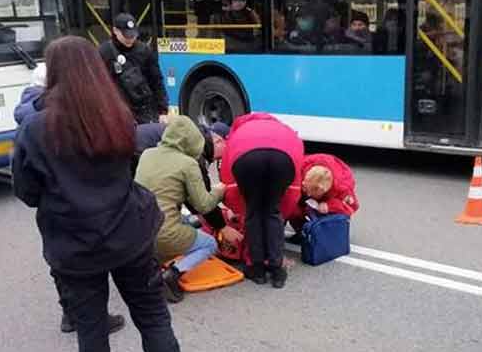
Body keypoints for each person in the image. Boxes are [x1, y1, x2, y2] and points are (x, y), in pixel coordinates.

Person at [12, 36, 217, 352]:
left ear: (52, 74)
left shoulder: (34, 129)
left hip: (73, 248)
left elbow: (27, 192)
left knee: (91, 333)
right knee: (154, 319)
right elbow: (129, 166)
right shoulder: (117, 115)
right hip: (129, 235)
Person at [14, 66, 126, 336]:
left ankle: (69, 313)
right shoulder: (63, 116)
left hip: (54, 211)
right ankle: (94, 316)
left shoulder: (26, 121)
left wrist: (47, 198)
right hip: (85, 206)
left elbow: (24, 184)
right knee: (91, 266)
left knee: (62, 264)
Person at [134, 116, 238, 303]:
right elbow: (203, 205)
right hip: (162, 231)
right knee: (208, 244)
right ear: (192, 140)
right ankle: (173, 274)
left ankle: (151, 263)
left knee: (184, 222)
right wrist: (219, 191)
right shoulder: (188, 164)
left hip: (138, 230)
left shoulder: (148, 153)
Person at [220, 113, 304, 288]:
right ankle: (277, 270)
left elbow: (227, 178)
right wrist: (284, 212)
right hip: (284, 160)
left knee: (253, 211)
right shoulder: (285, 130)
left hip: (247, 160)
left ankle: (257, 269)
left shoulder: (238, 131)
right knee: (273, 211)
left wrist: (237, 209)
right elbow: (296, 180)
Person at [98, 13, 168, 125]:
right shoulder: (104, 52)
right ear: (115, 31)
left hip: (144, 111)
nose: (130, 39)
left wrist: (163, 111)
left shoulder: (145, 51)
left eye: (133, 35)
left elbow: (156, 81)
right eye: (126, 35)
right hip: (119, 113)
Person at [288, 153, 360, 243]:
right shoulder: (298, 171)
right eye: (306, 189)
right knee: (293, 207)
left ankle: (326, 235)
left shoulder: (342, 187)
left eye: (312, 193)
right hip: (307, 190)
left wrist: (330, 206)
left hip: (329, 200)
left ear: (324, 190)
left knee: (334, 214)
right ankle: (303, 232)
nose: (309, 194)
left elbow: (352, 207)